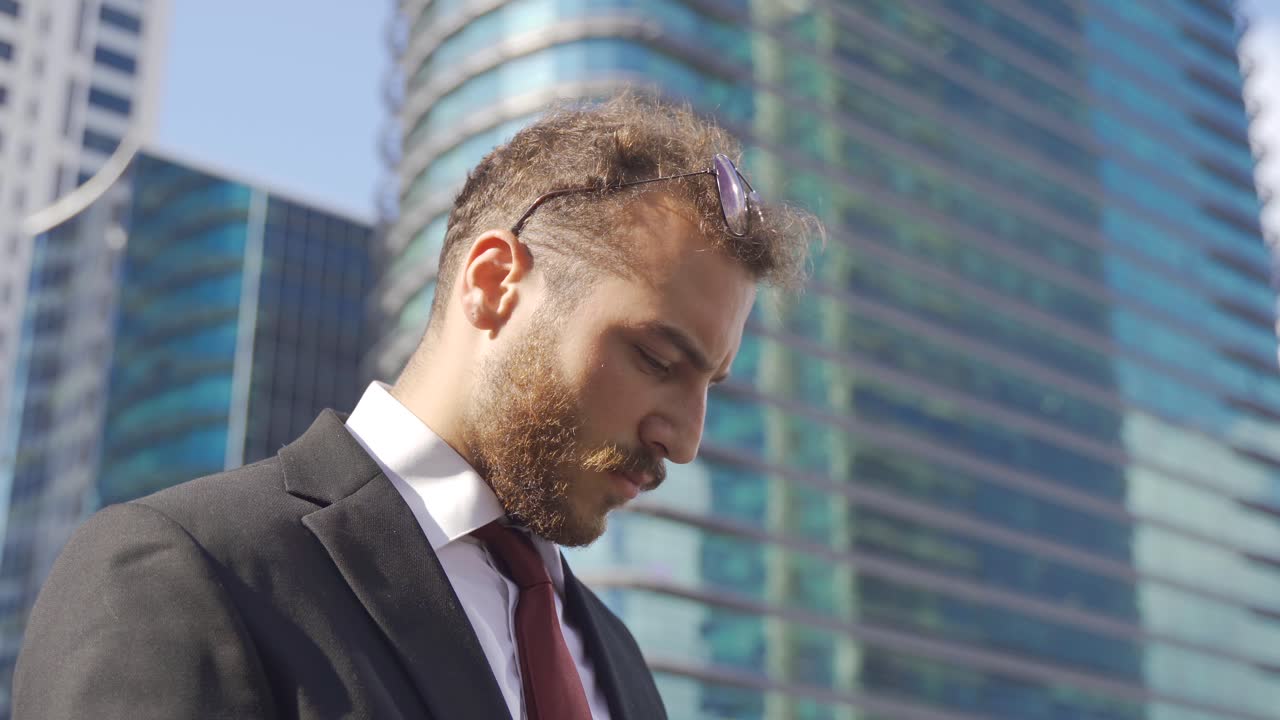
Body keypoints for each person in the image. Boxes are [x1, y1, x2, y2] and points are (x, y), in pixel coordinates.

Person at [13, 92, 814, 719]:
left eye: (709, 385)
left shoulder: (621, 665)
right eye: (655, 359)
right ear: (495, 284)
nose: (685, 440)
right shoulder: (185, 571)